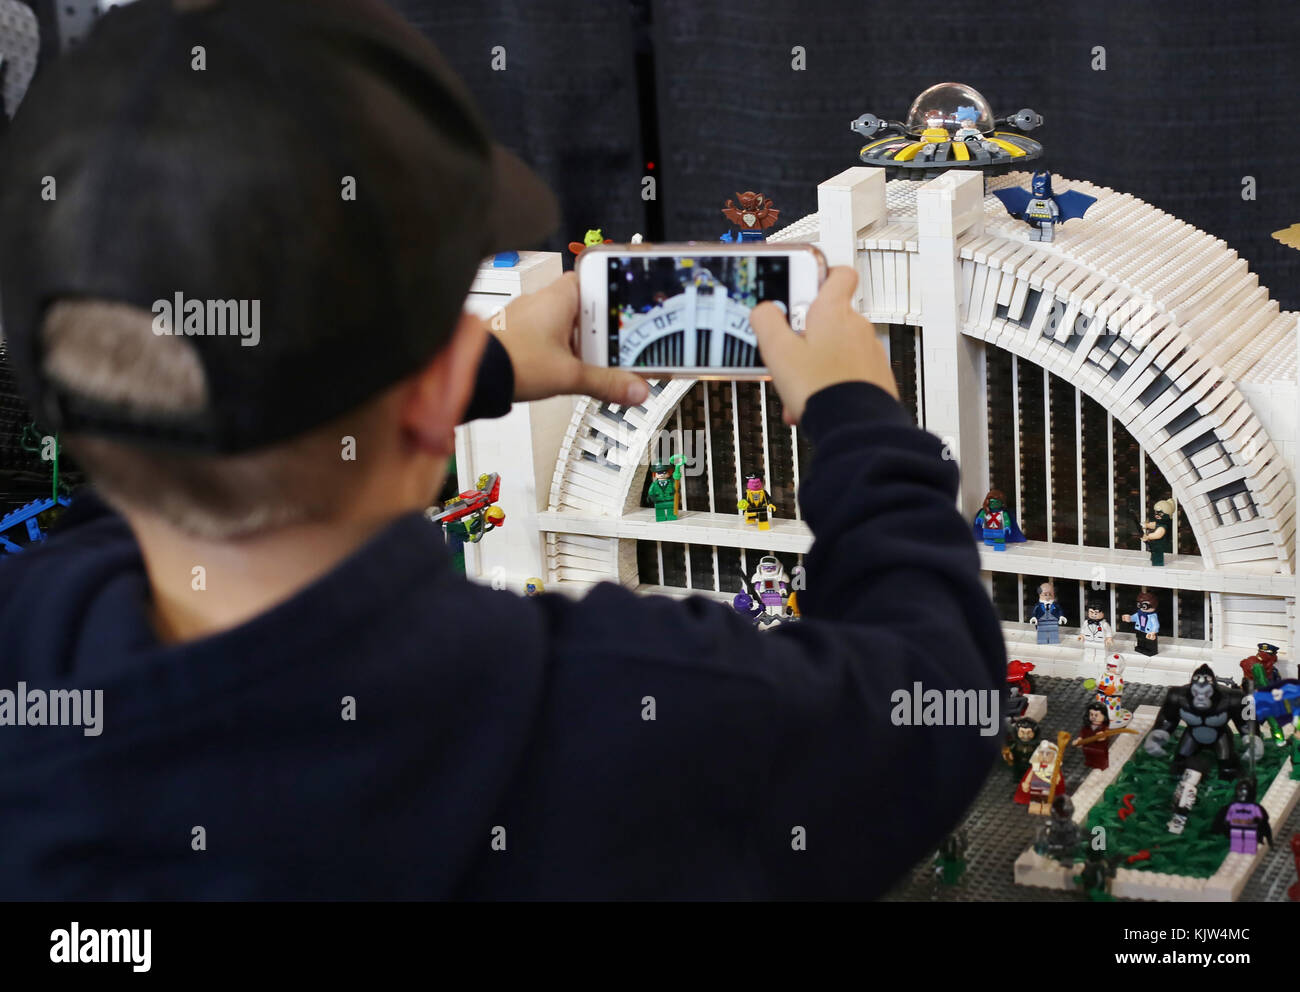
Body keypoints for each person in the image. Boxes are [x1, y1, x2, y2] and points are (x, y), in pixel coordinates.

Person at [0, 0, 1003, 899]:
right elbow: (930, 689)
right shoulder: (628, 711)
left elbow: (154, 484)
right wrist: (858, 413)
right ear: (437, 384)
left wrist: (445, 377)